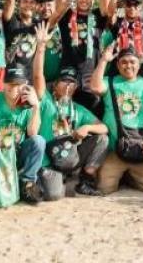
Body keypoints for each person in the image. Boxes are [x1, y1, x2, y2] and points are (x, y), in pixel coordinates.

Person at [33, 22, 108, 199]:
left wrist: (87, 128)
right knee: (53, 196)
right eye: (64, 81)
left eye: (72, 82)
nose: (68, 85)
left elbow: (104, 127)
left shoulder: (78, 109)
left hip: (71, 154)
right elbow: (37, 76)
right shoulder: (46, 102)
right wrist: (41, 47)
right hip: (50, 159)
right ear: (55, 85)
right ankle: (45, 179)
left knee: (102, 139)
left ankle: (86, 180)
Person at [90, 45, 143, 195]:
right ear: (117, 65)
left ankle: (128, 177)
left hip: (139, 147)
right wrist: (103, 60)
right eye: (123, 62)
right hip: (114, 149)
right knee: (104, 188)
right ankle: (121, 175)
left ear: (139, 64)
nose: (128, 65)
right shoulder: (110, 82)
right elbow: (95, 87)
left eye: (132, 62)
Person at [56, 0, 111, 118]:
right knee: (65, 107)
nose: (84, 0)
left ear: (92, 0)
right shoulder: (67, 15)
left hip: (90, 70)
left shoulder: (97, 17)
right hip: (68, 68)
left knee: (93, 106)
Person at [0, 65, 45, 204]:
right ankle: (11, 184)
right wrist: (0, 168)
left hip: (15, 153)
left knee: (38, 141)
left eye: (20, 84)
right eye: (12, 84)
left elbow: (33, 133)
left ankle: (27, 183)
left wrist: (36, 106)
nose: (15, 88)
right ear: (5, 85)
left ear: (25, 85)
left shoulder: (27, 104)